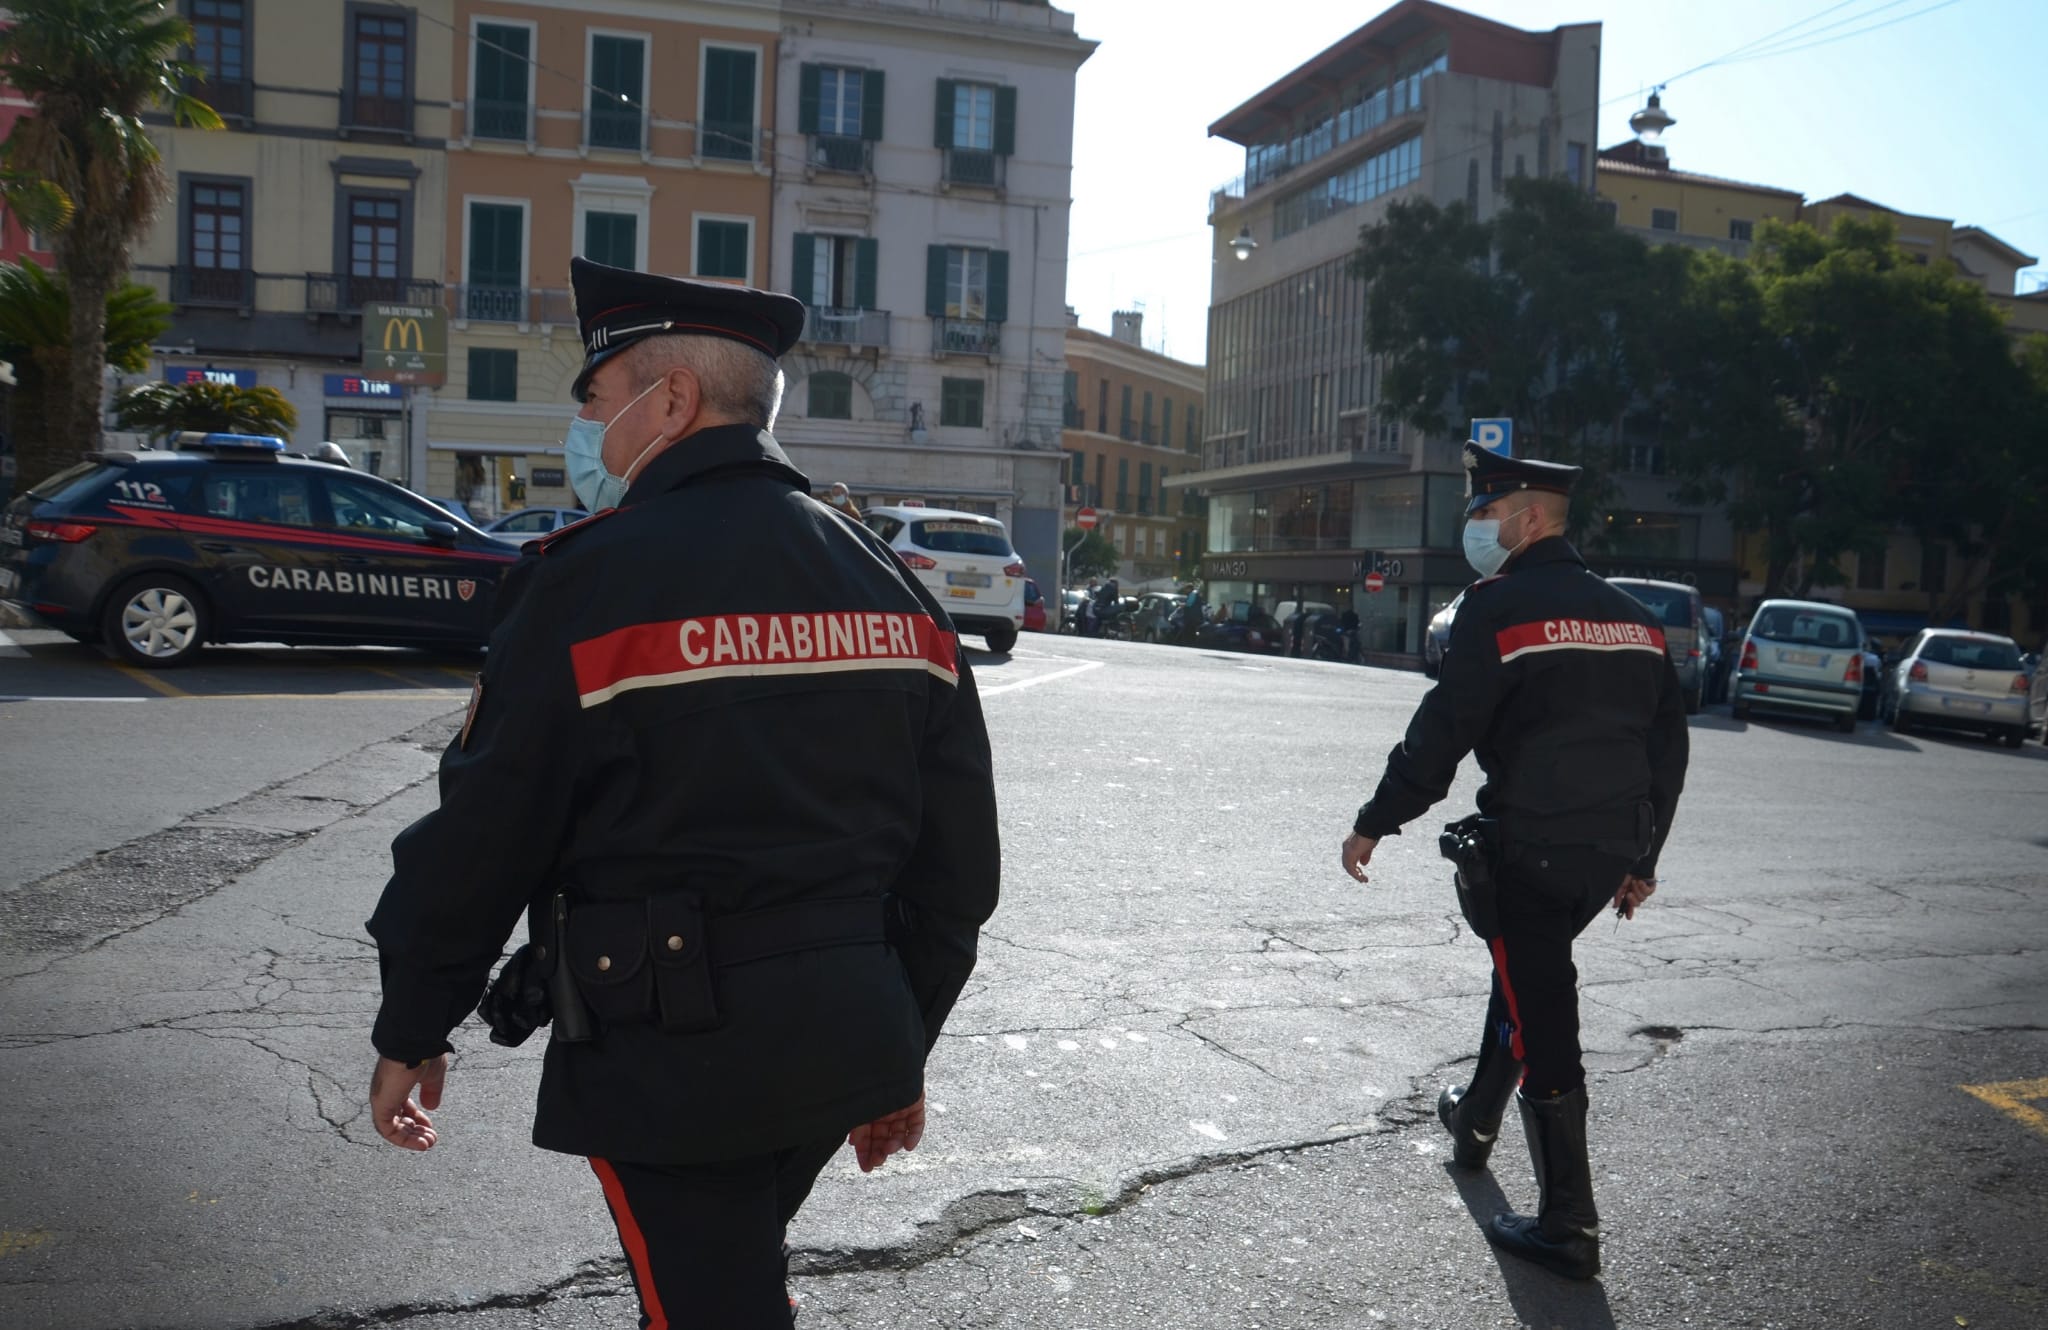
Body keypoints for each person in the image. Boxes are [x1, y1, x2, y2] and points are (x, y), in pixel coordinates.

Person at [363, 256, 1001, 1328]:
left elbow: (483, 834)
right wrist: (897, 1046)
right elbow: (956, 868)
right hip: (845, 1035)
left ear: (671, 400)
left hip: (670, 1060)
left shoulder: (584, 580)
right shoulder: (888, 583)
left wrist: (412, 1023)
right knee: (735, 1277)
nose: (587, 429)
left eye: (597, 402)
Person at [1338, 441, 1688, 1281]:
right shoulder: (1636, 620)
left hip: (1531, 850)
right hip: (1605, 855)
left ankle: (1570, 1221)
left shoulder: (1495, 607)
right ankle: (1476, 1120)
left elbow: (1442, 731)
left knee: (1545, 1014)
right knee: (1525, 981)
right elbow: (1667, 750)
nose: (1475, 527)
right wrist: (1643, 859)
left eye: (1484, 512)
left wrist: (1376, 820)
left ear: (1530, 517)